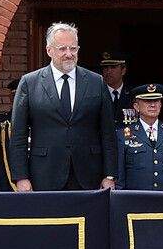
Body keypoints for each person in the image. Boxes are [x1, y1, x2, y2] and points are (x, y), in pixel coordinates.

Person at [8, 22, 118, 192]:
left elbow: (108, 133)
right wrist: (21, 177)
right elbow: (19, 135)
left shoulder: (96, 82)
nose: (69, 54)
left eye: (73, 49)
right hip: (44, 174)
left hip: (89, 174)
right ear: (49, 50)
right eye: (62, 49)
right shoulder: (30, 83)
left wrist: (109, 175)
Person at [115, 84, 163, 192]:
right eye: (147, 101)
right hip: (136, 202)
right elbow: (120, 177)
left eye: (156, 101)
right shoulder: (123, 135)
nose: (153, 105)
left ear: (160, 105)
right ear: (136, 106)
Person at [100, 56, 136, 125]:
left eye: (113, 67)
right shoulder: (96, 94)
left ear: (123, 71)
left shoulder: (133, 95)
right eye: (106, 68)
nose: (108, 71)